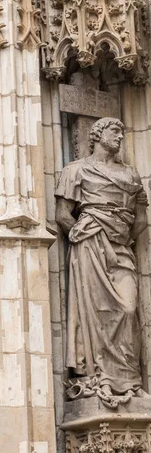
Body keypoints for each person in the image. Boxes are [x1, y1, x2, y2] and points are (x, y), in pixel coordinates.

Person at [55, 117, 148, 398]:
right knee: (95, 313)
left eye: (122, 132)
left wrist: (120, 237)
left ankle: (129, 380)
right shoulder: (75, 171)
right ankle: (99, 377)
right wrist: (83, 234)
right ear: (97, 135)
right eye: (114, 131)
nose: (120, 137)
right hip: (90, 246)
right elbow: (62, 214)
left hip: (120, 247)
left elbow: (141, 219)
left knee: (128, 309)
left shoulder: (131, 175)